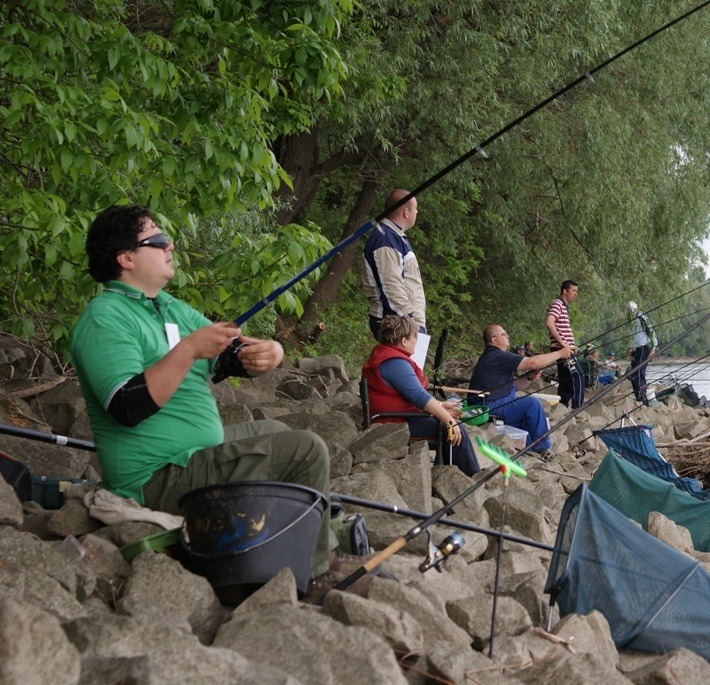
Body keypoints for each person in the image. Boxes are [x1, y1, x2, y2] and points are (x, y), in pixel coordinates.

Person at [69, 204, 334, 581]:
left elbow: (229, 353)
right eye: (157, 240)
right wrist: (189, 350)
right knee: (306, 450)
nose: (170, 245)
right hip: (157, 478)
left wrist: (268, 353)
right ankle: (315, 573)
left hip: (192, 456)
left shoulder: (168, 307)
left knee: (275, 431)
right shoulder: (105, 318)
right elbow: (126, 405)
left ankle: (272, 547)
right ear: (125, 258)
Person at [362, 315, 480, 477]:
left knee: (448, 425)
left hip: (393, 418)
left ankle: (446, 476)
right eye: (414, 339)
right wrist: (449, 420)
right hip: (394, 425)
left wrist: (441, 406)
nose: (415, 343)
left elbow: (405, 397)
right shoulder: (395, 363)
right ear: (404, 341)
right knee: (451, 429)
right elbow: (418, 396)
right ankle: (470, 479)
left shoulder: (384, 355)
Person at [467, 324, 573, 460]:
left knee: (526, 410)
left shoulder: (493, 357)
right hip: (488, 406)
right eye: (504, 333)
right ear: (494, 339)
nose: (508, 335)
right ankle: (542, 447)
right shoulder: (497, 356)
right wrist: (560, 353)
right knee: (532, 404)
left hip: (492, 402)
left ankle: (527, 444)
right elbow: (533, 363)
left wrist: (528, 377)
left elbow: (513, 387)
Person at [361, 189, 427, 339]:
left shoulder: (396, 237)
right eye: (415, 208)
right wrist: (411, 323)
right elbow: (391, 287)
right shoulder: (385, 240)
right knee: (399, 364)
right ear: (406, 212)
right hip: (397, 325)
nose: (417, 212)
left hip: (406, 324)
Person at [545, 280, 584, 408]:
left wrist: (571, 344)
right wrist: (563, 343)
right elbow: (549, 323)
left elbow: (561, 329)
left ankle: (561, 407)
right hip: (563, 351)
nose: (575, 294)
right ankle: (577, 408)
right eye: (573, 291)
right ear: (565, 291)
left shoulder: (561, 305)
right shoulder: (558, 304)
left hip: (565, 349)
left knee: (565, 380)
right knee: (578, 376)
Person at [627, 301, 658, 405]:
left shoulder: (642, 317)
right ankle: (640, 398)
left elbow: (651, 331)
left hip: (643, 348)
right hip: (636, 349)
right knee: (636, 374)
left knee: (637, 373)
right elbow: (633, 335)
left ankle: (642, 399)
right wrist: (630, 347)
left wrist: (654, 348)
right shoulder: (631, 321)